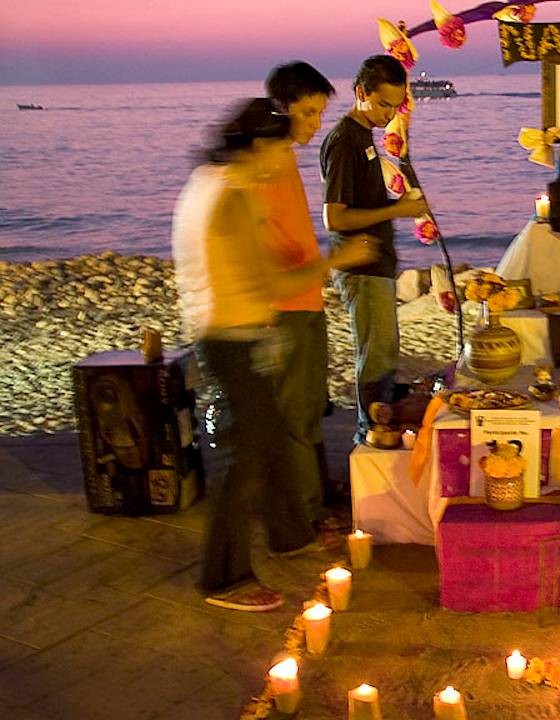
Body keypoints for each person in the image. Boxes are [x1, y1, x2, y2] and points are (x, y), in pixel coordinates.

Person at [172, 98, 375, 611]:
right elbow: (268, 285)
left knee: (271, 442)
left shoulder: (210, 182)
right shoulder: (230, 195)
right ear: (262, 145)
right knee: (248, 460)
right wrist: (336, 260)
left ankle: (290, 536)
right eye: (285, 148)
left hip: (238, 334)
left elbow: (242, 265)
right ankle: (223, 578)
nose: (287, 159)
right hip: (230, 340)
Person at [321, 55, 428, 444]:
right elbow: (334, 217)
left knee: (385, 351)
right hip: (360, 266)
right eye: (383, 104)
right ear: (361, 93)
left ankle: (379, 427)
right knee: (376, 355)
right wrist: (399, 209)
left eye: (395, 107)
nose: (388, 114)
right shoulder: (344, 140)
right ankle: (370, 435)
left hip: (377, 264)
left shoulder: (364, 137)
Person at [261, 61, 341, 527]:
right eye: (309, 113)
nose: (316, 123)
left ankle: (317, 492)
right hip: (284, 305)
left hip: (306, 297)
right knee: (293, 411)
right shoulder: (265, 160)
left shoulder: (286, 155)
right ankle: (302, 513)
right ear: (282, 108)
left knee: (311, 403)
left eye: (318, 113)